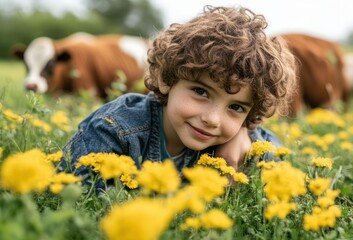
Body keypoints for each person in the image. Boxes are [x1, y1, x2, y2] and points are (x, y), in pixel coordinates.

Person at [59, 5, 297, 182]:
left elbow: (282, 170)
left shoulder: (240, 141)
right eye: (201, 92)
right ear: (166, 78)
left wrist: (242, 137)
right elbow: (78, 202)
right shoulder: (116, 130)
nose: (212, 119)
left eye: (236, 107)